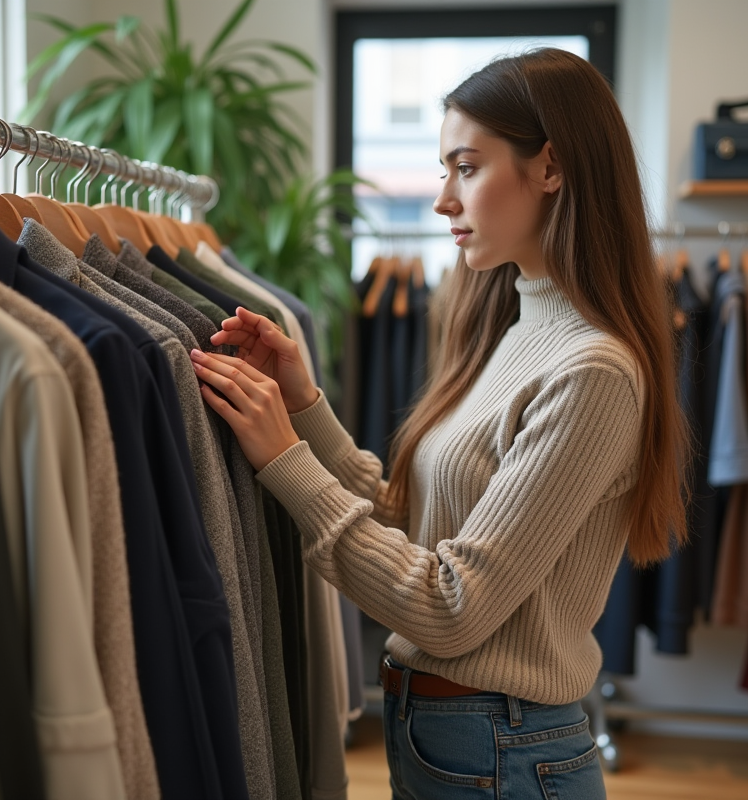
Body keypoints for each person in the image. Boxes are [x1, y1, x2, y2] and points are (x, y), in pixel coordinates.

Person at [189, 47, 688, 800]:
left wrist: (284, 460)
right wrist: (304, 408)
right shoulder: (516, 327)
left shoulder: (592, 371)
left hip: (502, 748)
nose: (443, 201)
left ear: (551, 168)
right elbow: (419, 522)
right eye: (446, 170)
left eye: (467, 168)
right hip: (457, 737)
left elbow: (451, 608)